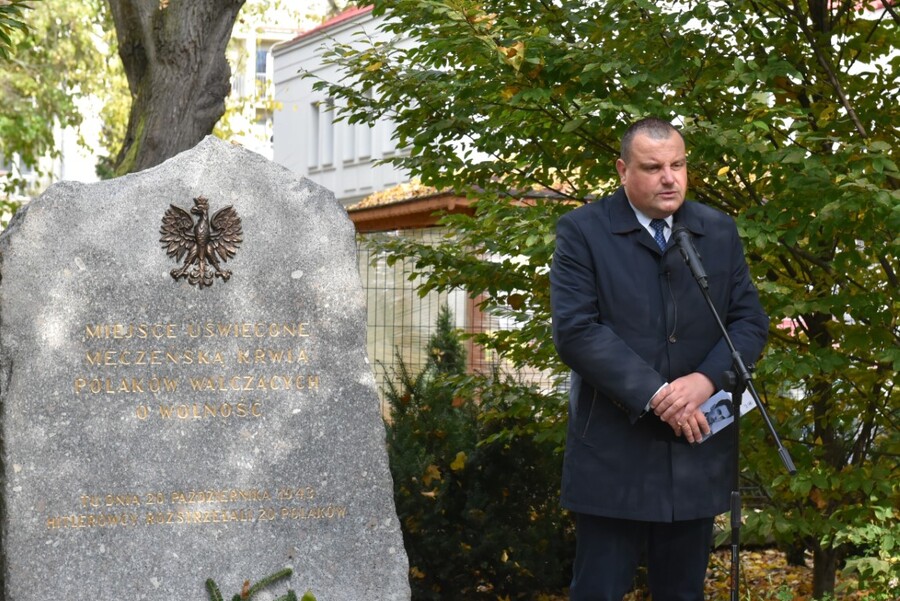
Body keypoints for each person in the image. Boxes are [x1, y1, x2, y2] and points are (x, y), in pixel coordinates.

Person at [550, 117, 769, 601]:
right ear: (623, 170)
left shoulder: (716, 230)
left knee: (683, 593)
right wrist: (659, 396)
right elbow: (576, 331)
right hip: (614, 456)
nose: (669, 178)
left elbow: (749, 323)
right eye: (653, 167)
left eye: (678, 165)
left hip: (695, 453)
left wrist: (705, 381)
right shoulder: (583, 231)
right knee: (599, 592)